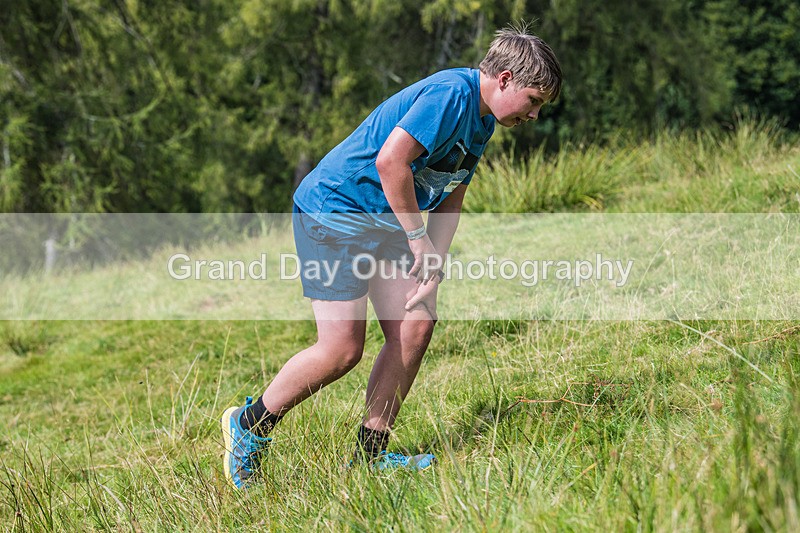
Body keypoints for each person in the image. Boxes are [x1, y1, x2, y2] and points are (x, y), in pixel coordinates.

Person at [222, 23, 562, 489]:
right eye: (534, 100)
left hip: (384, 220)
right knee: (341, 350)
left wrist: (433, 263)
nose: (535, 114)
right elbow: (390, 162)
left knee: (417, 322)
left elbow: (451, 195)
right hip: (336, 211)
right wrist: (418, 240)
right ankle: (249, 427)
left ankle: (370, 455)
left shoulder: (484, 119)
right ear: (504, 79)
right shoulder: (451, 95)